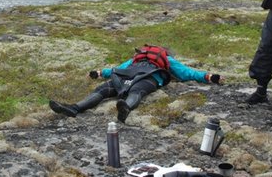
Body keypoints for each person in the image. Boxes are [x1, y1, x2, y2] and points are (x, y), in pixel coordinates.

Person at [49, 44, 223, 122]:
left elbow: (118, 69)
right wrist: (209, 76)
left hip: (125, 75)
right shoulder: (167, 59)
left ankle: (75, 108)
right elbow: (187, 73)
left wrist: (100, 73)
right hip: (150, 77)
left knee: (105, 89)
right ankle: (125, 107)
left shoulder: (137, 58)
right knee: (138, 91)